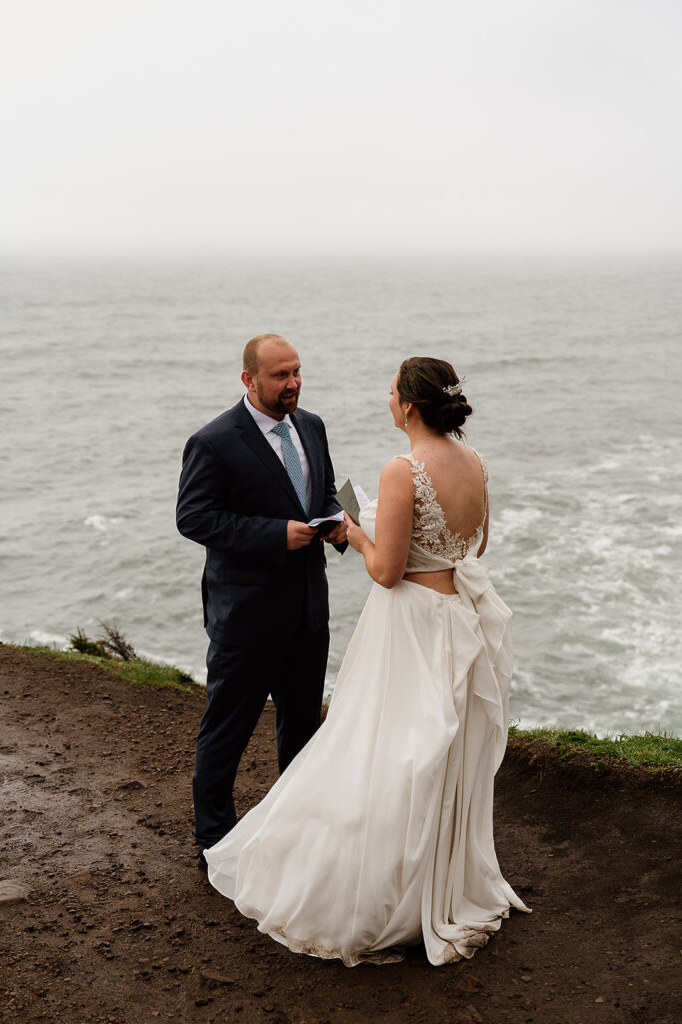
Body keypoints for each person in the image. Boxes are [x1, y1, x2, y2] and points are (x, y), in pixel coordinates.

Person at [204, 356, 530, 966]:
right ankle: (445, 879)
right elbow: (472, 545)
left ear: (408, 406)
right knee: (439, 752)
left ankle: (380, 890)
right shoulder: (474, 461)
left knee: (384, 748)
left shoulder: (402, 468)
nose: (387, 402)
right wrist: (405, 535)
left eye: (390, 394)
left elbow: (385, 572)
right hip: (458, 617)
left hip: (410, 626)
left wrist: (356, 530)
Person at [176, 334, 347, 872]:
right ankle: (213, 846)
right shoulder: (213, 442)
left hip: (306, 614)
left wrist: (338, 524)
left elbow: (320, 496)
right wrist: (277, 534)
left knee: (302, 731)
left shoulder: (313, 426)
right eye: (280, 376)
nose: (293, 383)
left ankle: (295, 836)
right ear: (248, 380)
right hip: (245, 620)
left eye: (297, 372)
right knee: (226, 733)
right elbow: (194, 518)